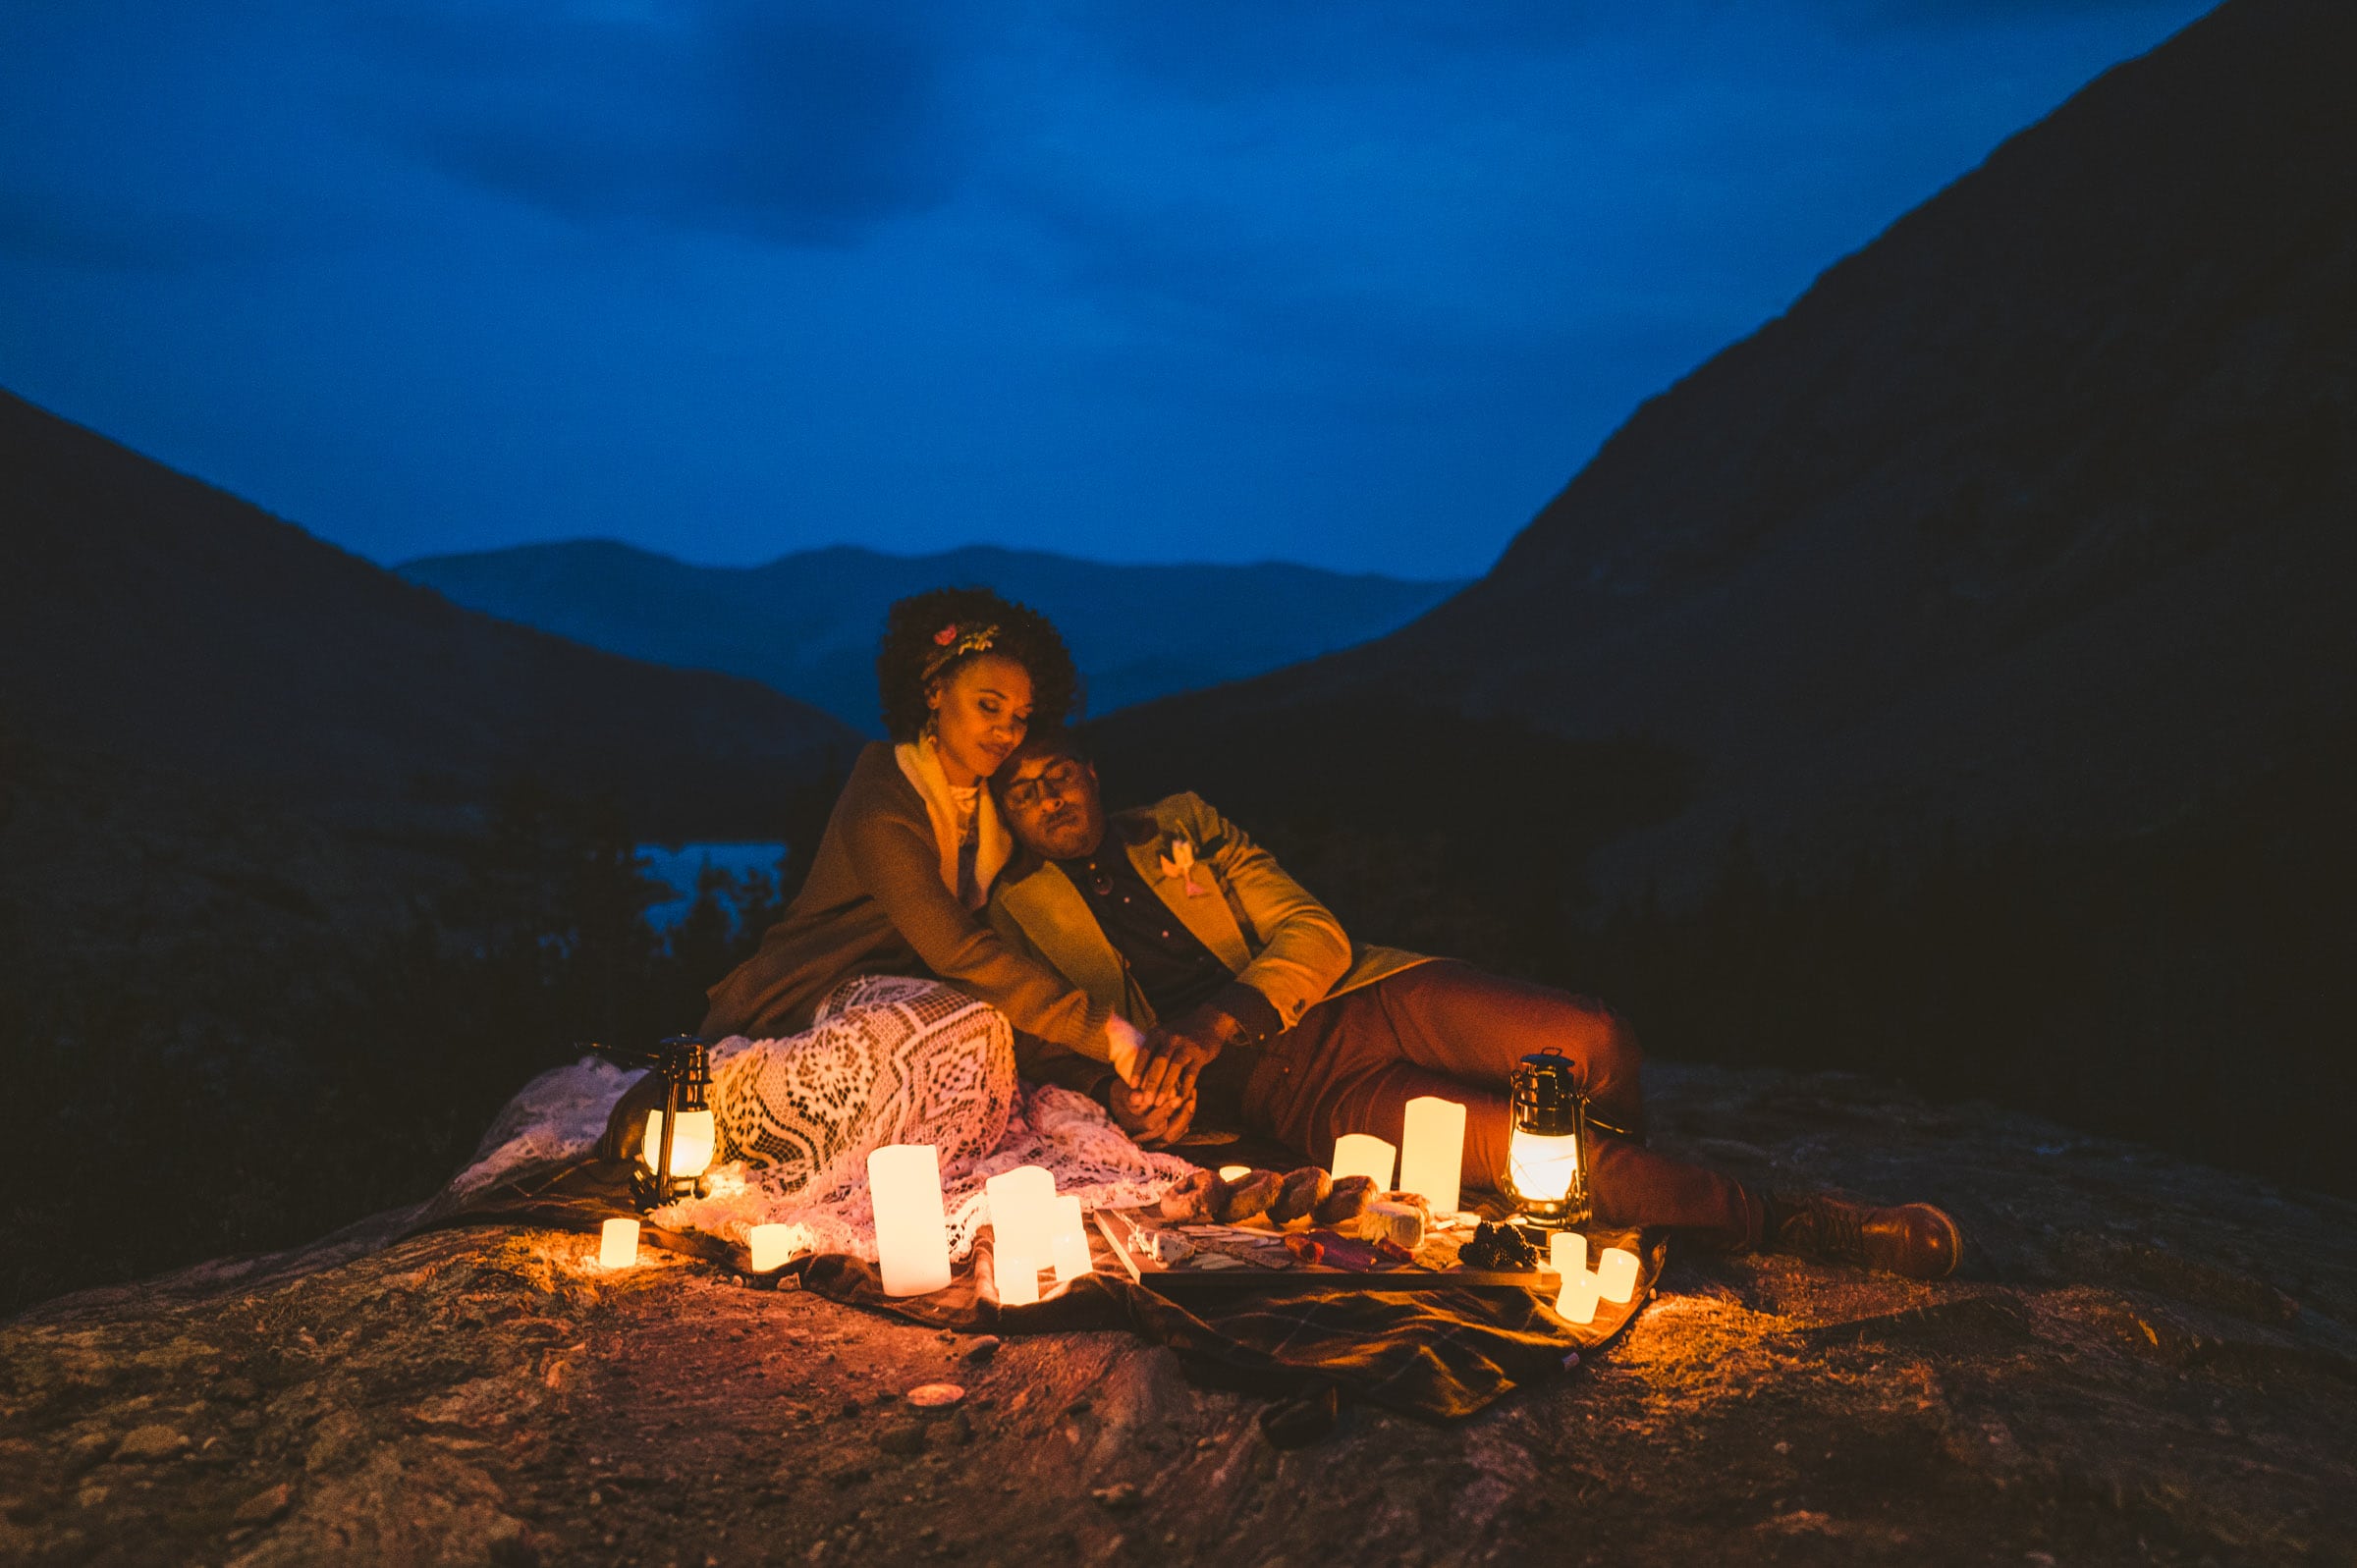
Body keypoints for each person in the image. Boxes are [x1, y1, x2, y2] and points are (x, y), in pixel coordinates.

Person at [982, 728, 1965, 1279]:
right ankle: (1787, 1222)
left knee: (1591, 1037)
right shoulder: (1018, 910)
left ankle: (1634, 1186)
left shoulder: (1182, 822)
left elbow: (1314, 934)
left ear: (1092, 770)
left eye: (1057, 771)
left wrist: (1216, 1017)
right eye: (1021, 790)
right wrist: (1146, 1098)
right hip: (1300, 1102)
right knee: (1548, 1153)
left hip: (1360, 994)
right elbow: (1065, 1046)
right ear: (1008, 814)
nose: (1046, 794)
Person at [603, 588, 1138, 1191]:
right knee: (966, 1024)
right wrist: (1107, 1032)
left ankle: (909, 1159)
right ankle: (711, 1094)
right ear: (934, 693)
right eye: (989, 706)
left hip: (908, 996)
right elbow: (956, 949)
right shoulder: (882, 794)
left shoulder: (994, 810)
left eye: (1019, 716)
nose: (1007, 731)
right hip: (812, 989)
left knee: (978, 1034)